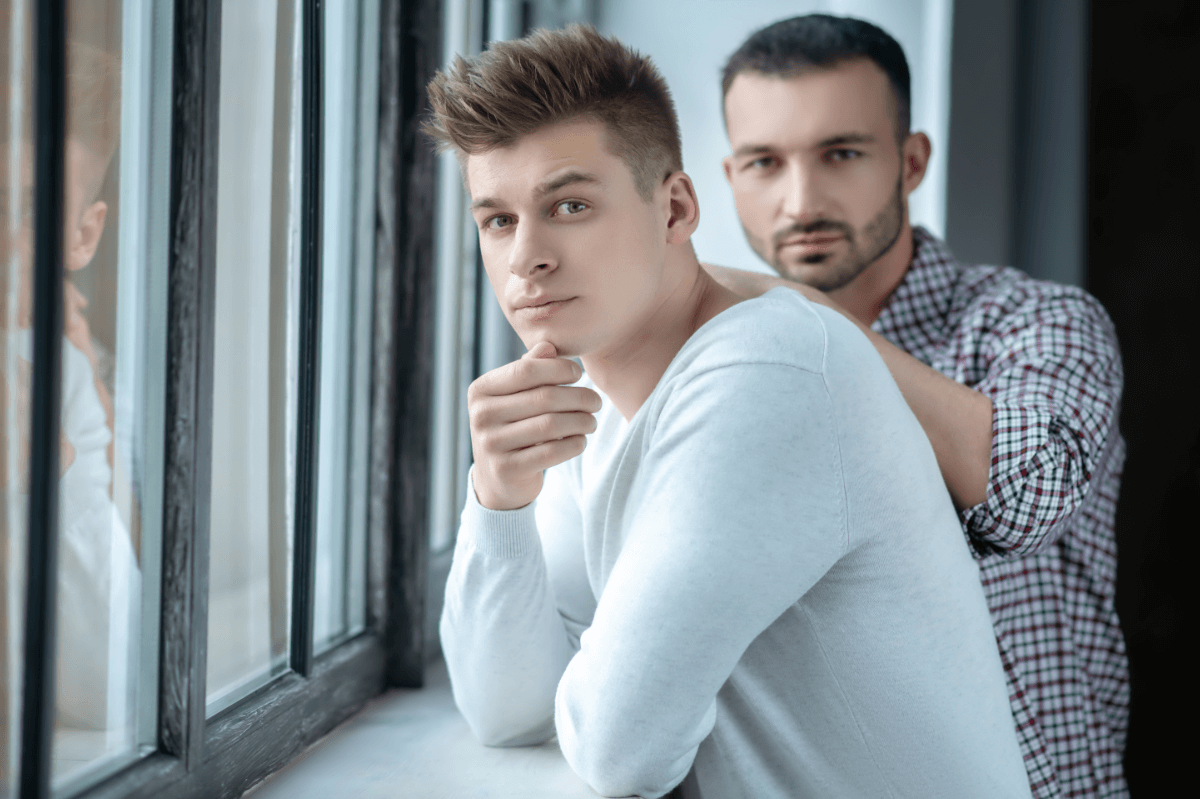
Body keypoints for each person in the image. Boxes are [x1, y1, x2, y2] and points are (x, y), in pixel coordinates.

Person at [427, 25, 1031, 798]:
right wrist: (500, 499)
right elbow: (505, 711)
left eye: (570, 204)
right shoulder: (592, 404)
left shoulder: (768, 368)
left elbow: (622, 747)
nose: (526, 259)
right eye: (498, 220)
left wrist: (592, 659)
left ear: (676, 207)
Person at [705, 14, 1127, 798]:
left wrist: (798, 311)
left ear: (910, 161)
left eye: (841, 154)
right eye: (765, 162)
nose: (801, 201)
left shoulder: (1040, 322)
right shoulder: (724, 366)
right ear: (730, 178)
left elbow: (1028, 494)